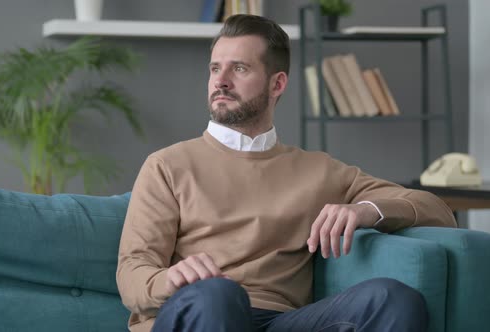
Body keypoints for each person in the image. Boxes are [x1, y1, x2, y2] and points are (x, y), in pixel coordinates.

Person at [116, 14, 457, 332]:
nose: (220, 81)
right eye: (215, 68)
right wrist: (172, 279)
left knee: (392, 299)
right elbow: (132, 274)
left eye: (239, 69)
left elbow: (438, 211)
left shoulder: (320, 171)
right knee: (218, 295)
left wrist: (365, 210)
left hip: (281, 320)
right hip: (201, 309)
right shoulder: (166, 165)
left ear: (277, 84)